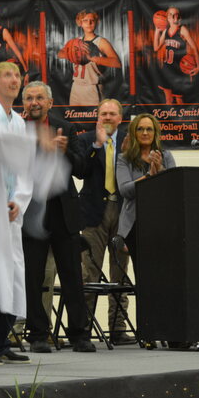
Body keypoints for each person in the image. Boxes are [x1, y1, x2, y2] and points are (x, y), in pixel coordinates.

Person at [0, 61, 64, 366]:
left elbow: (24, 169)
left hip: (10, 210)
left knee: (11, 275)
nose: (14, 80)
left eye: (18, 76)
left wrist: (19, 200)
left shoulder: (18, 123)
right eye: (8, 75)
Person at [19, 82, 95, 353]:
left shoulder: (67, 127)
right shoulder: (17, 129)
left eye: (39, 97)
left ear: (50, 102)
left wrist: (64, 152)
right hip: (31, 212)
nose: (34, 102)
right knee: (33, 277)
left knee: (72, 276)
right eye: (29, 98)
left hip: (63, 212)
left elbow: (82, 169)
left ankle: (79, 334)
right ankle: (38, 334)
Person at [72, 98, 135, 345]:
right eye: (103, 114)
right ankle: (83, 328)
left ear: (120, 118)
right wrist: (97, 145)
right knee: (90, 273)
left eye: (112, 114)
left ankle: (117, 328)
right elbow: (79, 171)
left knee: (120, 272)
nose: (107, 118)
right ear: (97, 117)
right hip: (92, 213)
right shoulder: (86, 139)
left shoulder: (129, 142)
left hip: (123, 211)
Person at [116, 113, 176, 265]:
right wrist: (150, 176)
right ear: (133, 133)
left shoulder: (166, 156)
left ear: (155, 133)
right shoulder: (124, 159)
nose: (144, 133)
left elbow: (174, 187)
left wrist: (160, 170)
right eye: (140, 129)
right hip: (134, 225)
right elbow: (125, 190)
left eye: (149, 129)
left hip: (161, 223)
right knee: (142, 272)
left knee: (163, 270)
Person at [57, 10, 121, 106]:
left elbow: (117, 63)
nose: (89, 23)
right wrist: (71, 54)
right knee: (75, 119)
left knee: (93, 120)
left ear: (96, 22)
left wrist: (93, 58)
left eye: (92, 20)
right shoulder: (76, 41)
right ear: (80, 23)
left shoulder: (101, 42)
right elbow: (59, 54)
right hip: (76, 87)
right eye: (85, 20)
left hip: (93, 88)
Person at [152, 7, 199, 105]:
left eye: (176, 14)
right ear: (167, 17)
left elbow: (195, 48)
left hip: (180, 71)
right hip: (167, 70)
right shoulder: (165, 31)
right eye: (170, 14)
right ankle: (168, 120)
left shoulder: (182, 30)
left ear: (179, 18)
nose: (173, 17)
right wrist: (157, 31)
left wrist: (198, 66)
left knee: (179, 100)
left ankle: (182, 120)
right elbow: (156, 48)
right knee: (168, 100)